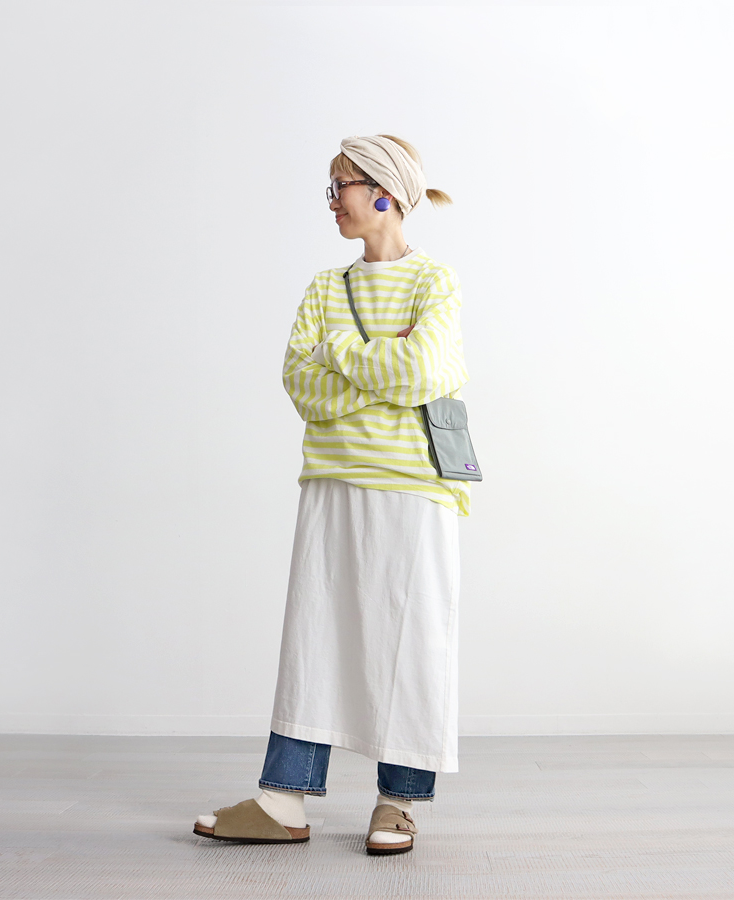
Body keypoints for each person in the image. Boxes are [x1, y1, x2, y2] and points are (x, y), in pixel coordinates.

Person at [193, 134, 471, 856]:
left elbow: (424, 373)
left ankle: (398, 802)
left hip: (415, 486)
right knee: (313, 635)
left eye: (340, 186)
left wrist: (341, 352)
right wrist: (381, 364)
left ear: (384, 192)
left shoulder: (435, 281)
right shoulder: (325, 287)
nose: (331, 202)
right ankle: (282, 799)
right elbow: (302, 386)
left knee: (411, 640)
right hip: (331, 476)